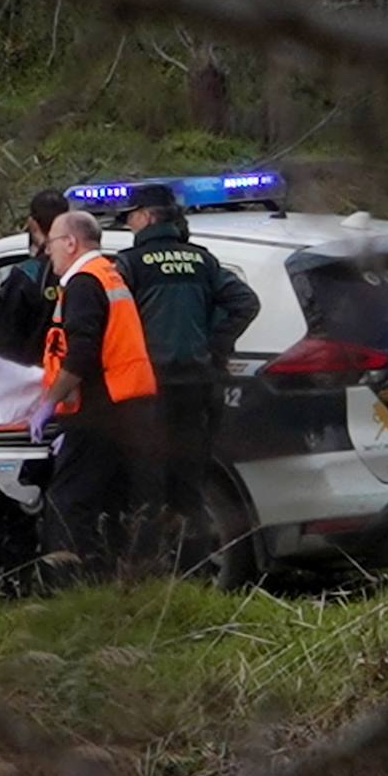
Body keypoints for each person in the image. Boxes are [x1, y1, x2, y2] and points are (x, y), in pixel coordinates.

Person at [114, 184, 260, 556]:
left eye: (131, 215)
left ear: (146, 216)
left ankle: (149, 571)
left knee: (146, 485)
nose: (129, 223)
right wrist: (213, 345)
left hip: (150, 389)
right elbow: (245, 303)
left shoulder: (130, 264)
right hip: (197, 386)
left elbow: (112, 322)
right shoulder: (202, 261)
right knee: (189, 486)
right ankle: (192, 569)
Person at [26, 212, 159, 583]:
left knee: (68, 501)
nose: (47, 251)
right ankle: (111, 578)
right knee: (111, 499)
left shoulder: (83, 283)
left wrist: (49, 403)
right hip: (125, 405)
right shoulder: (109, 273)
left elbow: (81, 351)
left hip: (100, 408)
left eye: (50, 242)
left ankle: (70, 584)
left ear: (70, 243)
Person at [0, 189, 68, 365]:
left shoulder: (27, 273)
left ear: (33, 224)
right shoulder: (87, 266)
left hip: (34, 376)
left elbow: (4, 337)